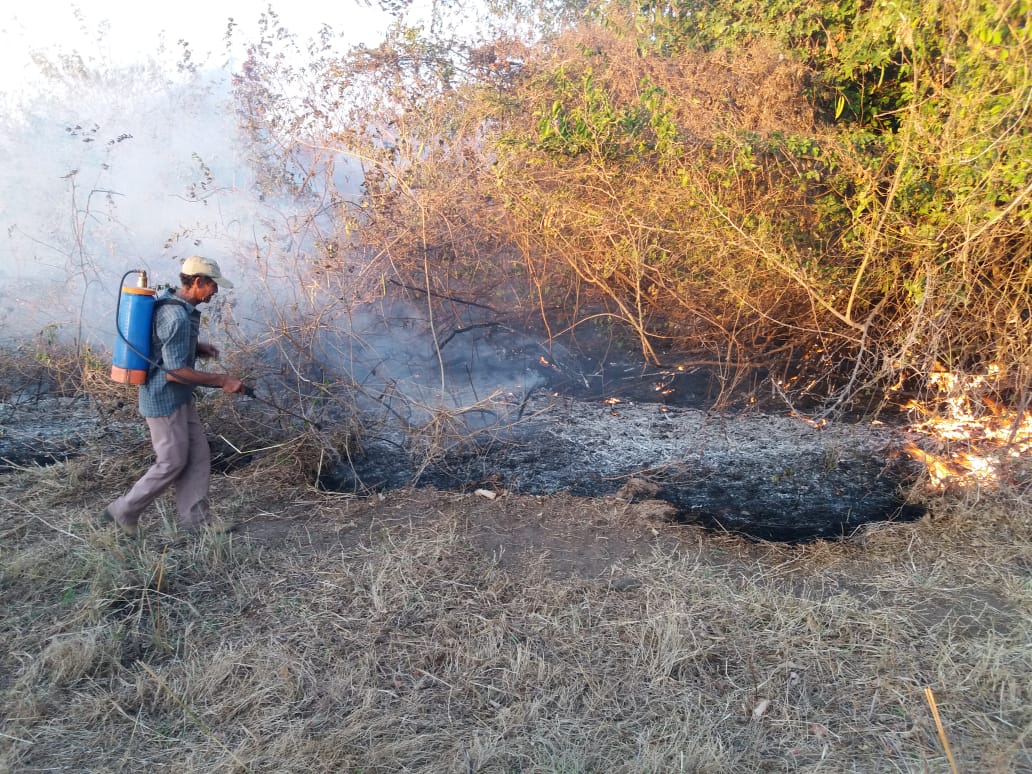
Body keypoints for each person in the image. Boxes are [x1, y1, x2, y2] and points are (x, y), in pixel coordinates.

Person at [102, 256, 249, 536]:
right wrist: (223, 380)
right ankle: (123, 511)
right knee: (172, 462)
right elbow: (175, 373)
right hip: (164, 400)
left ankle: (196, 523)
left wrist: (196, 348)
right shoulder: (178, 317)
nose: (216, 291)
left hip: (179, 398)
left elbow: (164, 345)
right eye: (213, 285)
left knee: (197, 455)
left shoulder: (172, 302)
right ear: (197, 282)